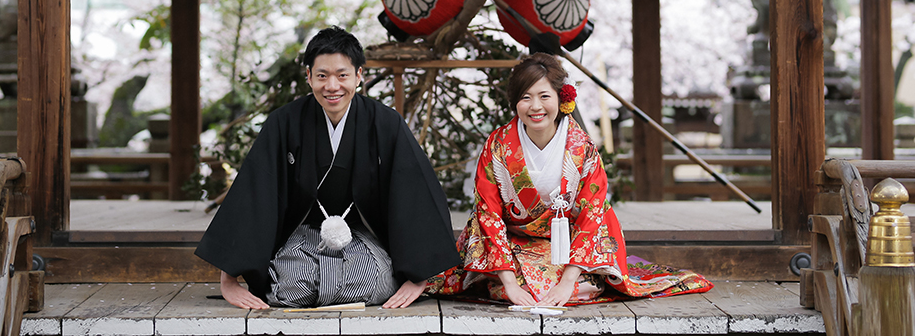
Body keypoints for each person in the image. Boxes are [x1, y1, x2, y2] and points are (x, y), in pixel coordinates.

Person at [195, 27, 460, 310]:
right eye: (322, 76)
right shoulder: (284, 123)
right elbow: (255, 190)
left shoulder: (385, 123)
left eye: (342, 75)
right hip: (302, 236)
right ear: (309, 76)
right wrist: (229, 279)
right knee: (291, 284)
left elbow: (414, 191)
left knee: (378, 281)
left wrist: (418, 277)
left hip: (361, 236)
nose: (332, 86)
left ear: (359, 76)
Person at [430, 52, 713, 306]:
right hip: (514, 241)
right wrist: (510, 283)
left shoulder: (582, 148)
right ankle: (507, 281)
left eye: (544, 96)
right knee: (511, 286)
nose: (535, 106)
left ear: (561, 98)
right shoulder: (498, 145)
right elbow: (489, 212)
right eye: (525, 97)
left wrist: (567, 281)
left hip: (566, 245)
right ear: (515, 102)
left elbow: (592, 212)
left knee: (575, 279)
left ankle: (565, 281)